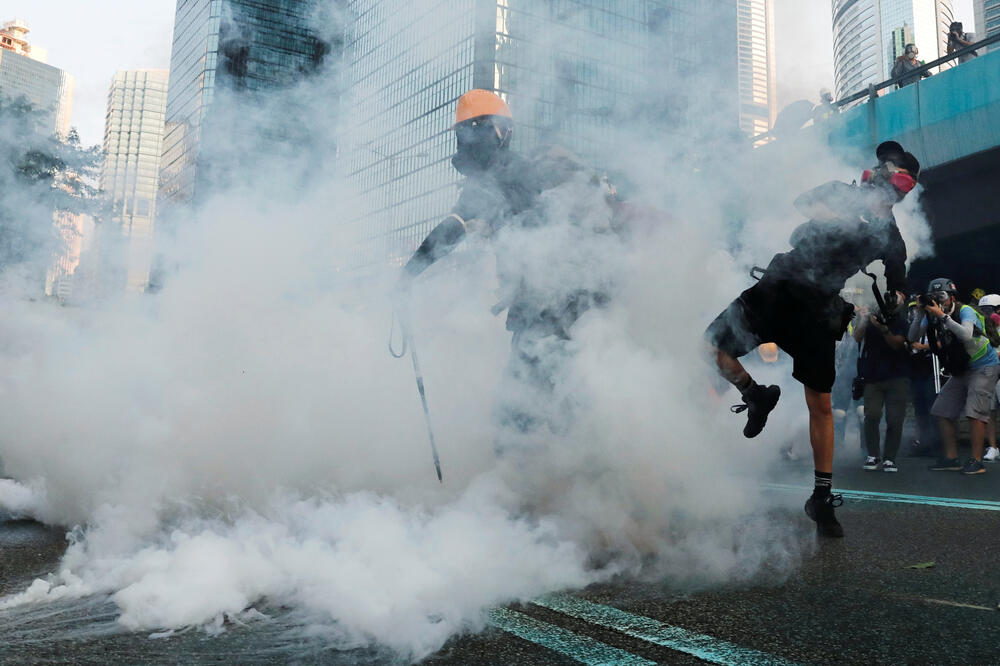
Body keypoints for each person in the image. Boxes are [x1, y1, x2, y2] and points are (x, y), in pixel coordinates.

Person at [705, 140, 918, 537]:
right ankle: (756, 395)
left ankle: (822, 498)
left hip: (818, 309)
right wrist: (847, 210)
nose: (887, 181)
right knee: (712, 349)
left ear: (901, 192)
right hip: (776, 290)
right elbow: (805, 203)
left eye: (898, 181)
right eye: (887, 171)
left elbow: (899, 275)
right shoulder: (843, 191)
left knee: (819, 403)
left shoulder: (890, 235)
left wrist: (896, 299)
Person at [397, 89, 625, 458]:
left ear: (500, 133)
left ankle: (534, 490)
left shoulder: (504, 176)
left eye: (478, 130)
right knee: (555, 403)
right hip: (552, 309)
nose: (471, 140)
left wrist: (409, 275)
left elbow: (451, 230)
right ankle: (567, 482)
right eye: (466, 132)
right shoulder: (510, 175)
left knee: (521, 411)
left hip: (553, 310)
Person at [909, 279, 1000, 475]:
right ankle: (951, 458)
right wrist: (919, 315)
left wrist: (942, 316)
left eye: (941, 296)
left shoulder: (965, 310)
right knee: (941, 410)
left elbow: (966, 335)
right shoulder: (931, 314)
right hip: (963, 368)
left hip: (984, 365)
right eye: (934, 296)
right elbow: (912, 337)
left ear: (952, 297)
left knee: (975, 412)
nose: (938, 300)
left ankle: (976, 461)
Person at [853, 292, 910, 472]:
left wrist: (884, 328)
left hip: (898, 376)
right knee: (872, 415)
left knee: (895, 419)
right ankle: (873, 455)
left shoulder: (902, 322)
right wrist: (864, 320)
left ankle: (890, 458)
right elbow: (857, 338)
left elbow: (896, 344)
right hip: (872, 376)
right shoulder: (872, 318)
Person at [905, 294, 943, 458]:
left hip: (932, 365)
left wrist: (922, 346)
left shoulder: (936, 318)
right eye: (912, 308)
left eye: (918, 307)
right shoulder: (915, 321)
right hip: (916, 366)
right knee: (919, 404)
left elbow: (943, 341)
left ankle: (936, 441)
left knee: (933, 403)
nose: (915, 310)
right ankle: (923, 440)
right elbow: (910, 338)